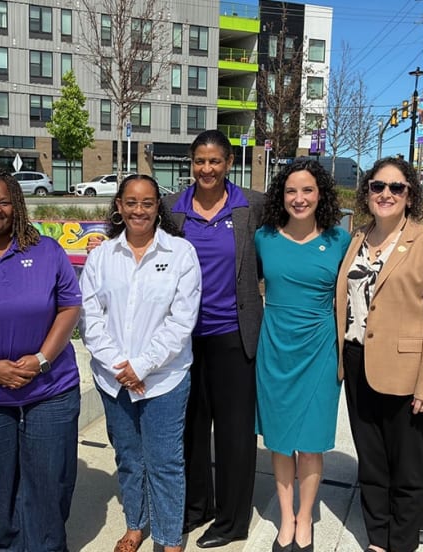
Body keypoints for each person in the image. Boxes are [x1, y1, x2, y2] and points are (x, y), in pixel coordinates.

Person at [336, 157, 423, 552]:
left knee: (406, 468)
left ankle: (402, 544)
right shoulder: (356, 238)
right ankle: (378, 539)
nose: (385, 194)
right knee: (371, 462)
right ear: (367, 191)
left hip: (407, 371)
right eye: (377, 186)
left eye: (396, 188)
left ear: (410, 195)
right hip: (357, 363)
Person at [0, 169, 82, 551]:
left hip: (50, 390)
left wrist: (42, 359)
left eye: (4, 201)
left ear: (17, 205)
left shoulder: (46, 250)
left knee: (50, 485)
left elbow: (69, 306)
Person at [80, 174, 201, 552]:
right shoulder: (101, 256)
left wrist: (143, 366)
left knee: (165, 463)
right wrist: (121, 366)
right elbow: (89, 316)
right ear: (118, 206)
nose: (139, 210)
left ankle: (168, 539)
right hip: (114, 379)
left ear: (157, 207)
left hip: (164, 379)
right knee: (129, 459)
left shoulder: (180, 254)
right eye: (130, 202)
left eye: (147, 203)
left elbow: (182, 321)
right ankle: (136, 524)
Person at [167, 129, 266, 549]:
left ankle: (232, 520)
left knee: (234, 433)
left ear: (228, 163)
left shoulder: (253, 207)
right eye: (199, 161)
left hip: (233, 335)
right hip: (186, 338)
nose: (206, 169)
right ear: (192, 163)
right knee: (190, 427)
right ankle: (197, 507)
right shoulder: (174, 210)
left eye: (215, 161)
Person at [254, 159, 350, 552]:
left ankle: (306, 517)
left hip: (320, 351)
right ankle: (286, 517)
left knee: (310, 443)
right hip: (275, 349)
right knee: (278, 442)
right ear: (281, 195)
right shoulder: (263, 238)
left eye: (307, 190)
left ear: (321, 194)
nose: (299, 198)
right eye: (291, 191)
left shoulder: (340, 239)